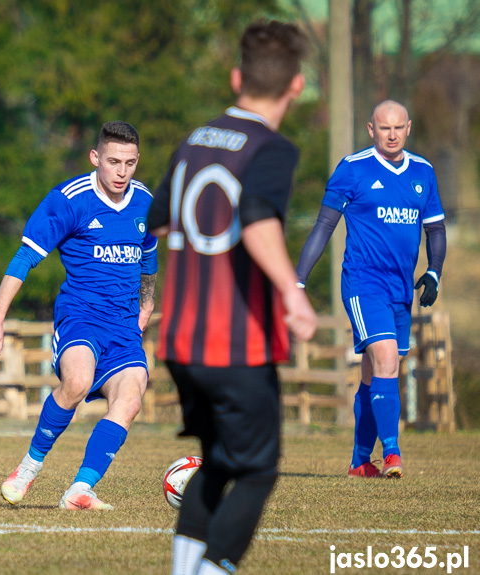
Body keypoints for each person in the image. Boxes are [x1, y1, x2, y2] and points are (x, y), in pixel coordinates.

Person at [148, 21, 316, 575]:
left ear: (237, 77)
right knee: (258, 471)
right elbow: (257, 218)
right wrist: (292, 293)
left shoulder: (195, 140)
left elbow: (158, 221)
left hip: (183, 340)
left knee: (219, 463)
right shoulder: (271, 149)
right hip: (235, 342)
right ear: (295, 85)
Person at [0, 121, 158, 510]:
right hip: (81, 316)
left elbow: (149, 254)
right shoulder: (69, 198)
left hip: (124, 326)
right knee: (77, 382)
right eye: (113, 162)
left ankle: (81, 488)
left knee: (130, 400)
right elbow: (25, 257)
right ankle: (28, 468)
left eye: (129, 162)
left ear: (138, 161)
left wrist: (148, 302)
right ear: (95, 158)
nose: (122, 171)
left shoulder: (144, 200)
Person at [296, 99, 446, 480]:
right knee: (387, 360)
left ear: (408, 128)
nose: (391, 134)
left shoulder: (423, 172)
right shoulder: (353, 170)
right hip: (363, 283)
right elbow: (324, 228)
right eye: (384, 128)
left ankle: (361, 462)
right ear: (371, 129)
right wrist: (298, 281)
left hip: (401, 288)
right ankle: (392, 453)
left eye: (398, 127)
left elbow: (436, 229)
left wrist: (434, 272)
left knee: (372, 372)